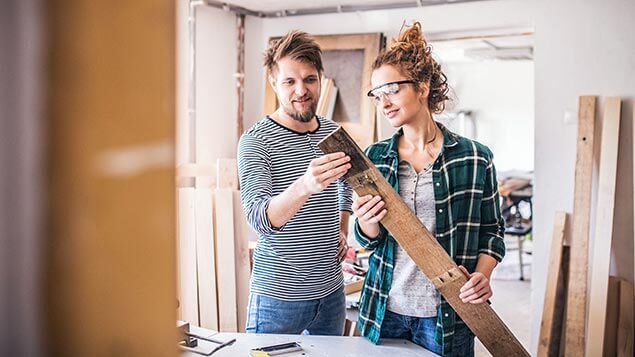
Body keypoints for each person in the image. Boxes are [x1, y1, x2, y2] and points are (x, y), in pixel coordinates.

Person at [352, 22, 506, 356]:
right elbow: (368, 240)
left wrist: (482, 275)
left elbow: (492, 232)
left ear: (422, 87)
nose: (384, 103)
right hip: (384, 309)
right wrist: (365, 222)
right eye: (377, 95)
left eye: (392, 90)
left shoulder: (475, 157)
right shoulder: (375, 158)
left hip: (449, 312)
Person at [237, 30, 352, 336]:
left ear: (320, 79)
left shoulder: (332, 132)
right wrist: (305, 185)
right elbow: (259, 218)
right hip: (277, 297)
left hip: (331, 293)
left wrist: (342, 225)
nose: (301, 90)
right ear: (274, 83)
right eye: (290, 81)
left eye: (309, 79)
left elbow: (349, 183)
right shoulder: (255, 141)